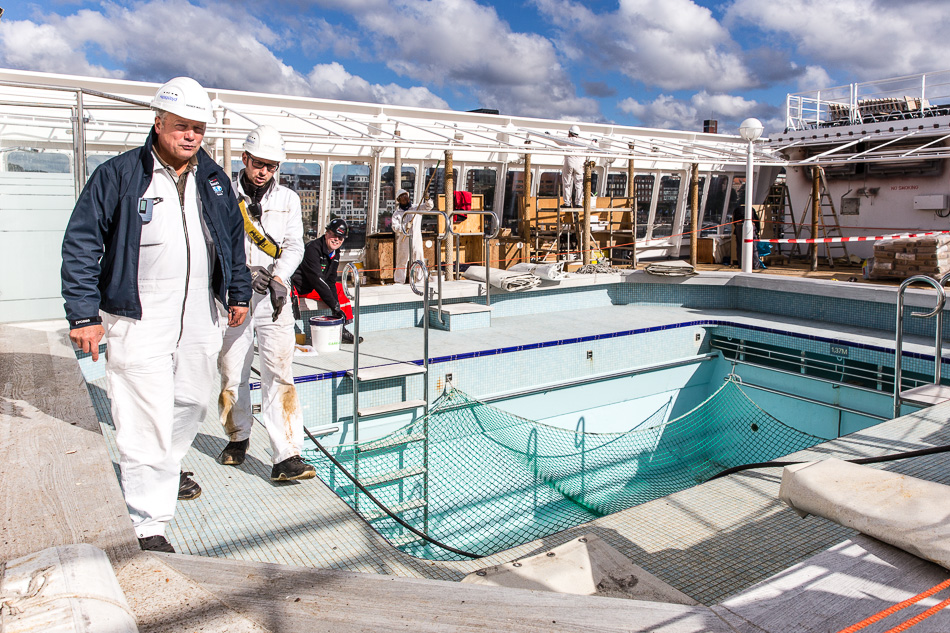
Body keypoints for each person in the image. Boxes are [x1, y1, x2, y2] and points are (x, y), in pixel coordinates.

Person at [61, 77, 251, 554]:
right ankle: (149, 523)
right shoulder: (121, 174)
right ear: (158, 121)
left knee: (191, 402)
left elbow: (232, 242)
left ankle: (162, 469)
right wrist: (84, 313)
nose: (190, 136)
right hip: (137, 309)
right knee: (143, 411)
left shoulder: (213, 180)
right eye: (181, 126)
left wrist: (239, 292)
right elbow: (83, 242)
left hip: (199, 309)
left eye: (198, 129)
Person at [217, 125, 315, 482]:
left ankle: (287, 455)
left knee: (279, 372)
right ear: (244, 159)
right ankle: (237, 437)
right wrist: (244, 272)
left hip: (273, 300)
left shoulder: (287, 200)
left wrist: (278, 277)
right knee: (232, 370)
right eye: (259, 163)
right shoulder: (223, 194)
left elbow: (294, 245)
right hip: (233, 298)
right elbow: (215, 244)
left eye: (272, 166)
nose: (265, 172)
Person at [292, 219, 362, 344]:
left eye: (341, 238)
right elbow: (317, 279)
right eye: (334, 235)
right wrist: (334, 305)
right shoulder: (312, 249)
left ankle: (341, 327)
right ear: (327, 233)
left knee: (339, 288)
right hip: (299, 286)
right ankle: (289, 334)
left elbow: (330, 281)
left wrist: (336, 308)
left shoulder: (335, 253)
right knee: (289, 301)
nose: (337, 240)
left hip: (313, 286)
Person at [391, 188, 432, 284]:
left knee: (418, 258)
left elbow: (428, 207)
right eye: (403, 197)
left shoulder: (416, 208)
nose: (405, 198)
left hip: (416, 238)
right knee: (402, 260)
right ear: (399, 200)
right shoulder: (397, 214)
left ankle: (420, 281)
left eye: (406, 196)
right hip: (404, 240)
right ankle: (399, 281)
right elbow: (395, 227)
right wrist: (405, 226)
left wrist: (427, 198)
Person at [733, 203, 764, 270]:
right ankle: (756, 265)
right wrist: (757, 230)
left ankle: (741, 264)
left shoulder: (737, 209)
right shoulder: (751, 209)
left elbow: (734, 221)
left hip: (739, 226)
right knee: (754, 246)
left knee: (740, 246)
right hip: (751, 226)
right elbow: (757, 220)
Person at [561, 125, 585, 208]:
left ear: (570, 133)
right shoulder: (582, 142)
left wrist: (548, 135)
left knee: (567, 183)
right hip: (579, 164)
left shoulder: (567, 140)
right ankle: (579, 203)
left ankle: (567, 203)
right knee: (579, 184)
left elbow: (557, 141)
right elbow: (592, 145)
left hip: (569, 161)